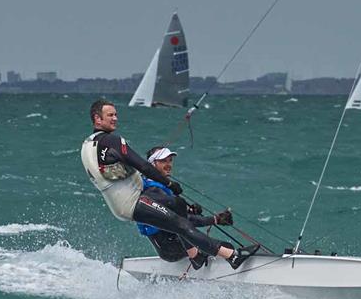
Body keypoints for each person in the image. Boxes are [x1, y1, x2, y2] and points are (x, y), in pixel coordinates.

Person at [80, 99, 259, 270]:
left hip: (121, 204)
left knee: (179, 206)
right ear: (97, 118)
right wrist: (170, 184)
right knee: (181, 224)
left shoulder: (89, 145)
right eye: (110, 115)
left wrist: (190, 210)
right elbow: (141, 165)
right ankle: (232, 256)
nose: (115, 118)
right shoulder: (112, 141)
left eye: (115, 114)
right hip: (132, 203)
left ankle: (195, 255)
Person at [137, 146, 232, 269]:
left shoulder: (156, 186)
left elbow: (179, 217)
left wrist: (190, 210)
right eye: (163, 161)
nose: (168, 164)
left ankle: (198, 262)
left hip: (173, 244)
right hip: (170, 249)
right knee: (225, 247)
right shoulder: (153, 190)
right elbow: (180, 222)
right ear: (152, 164)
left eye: (170, 160)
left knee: (213, 245)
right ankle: (201, 261)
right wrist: (214, 220)